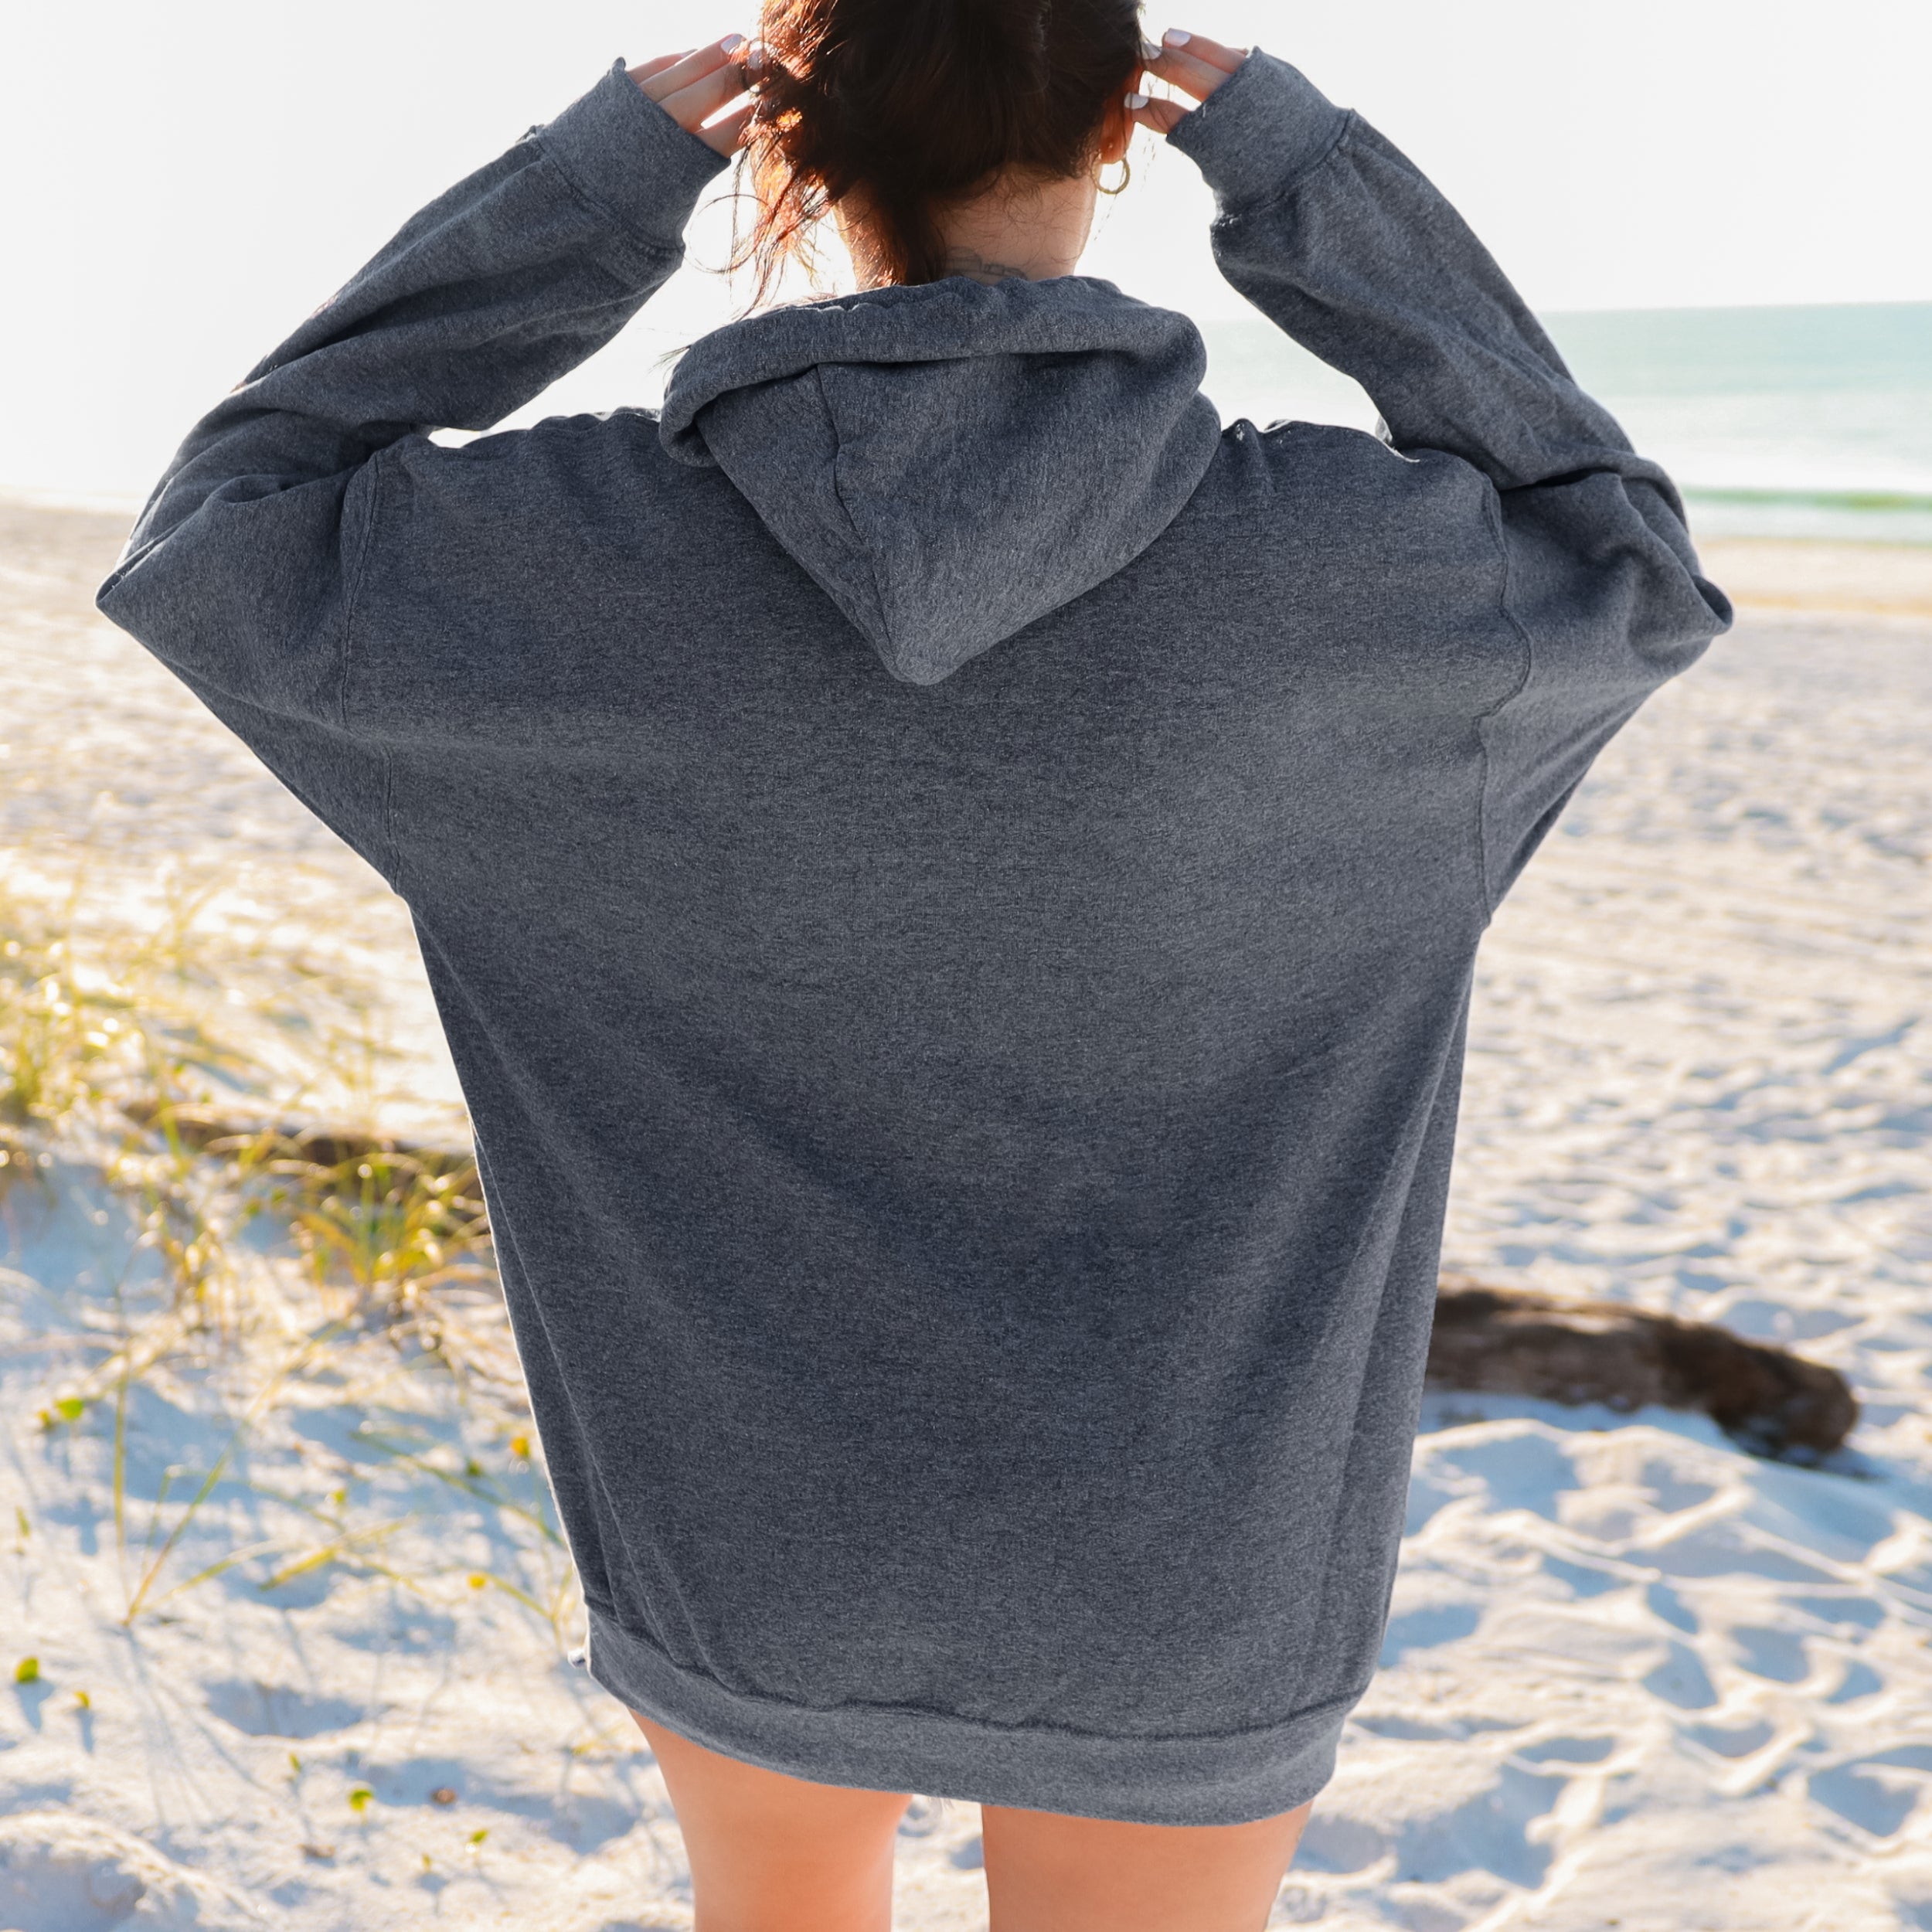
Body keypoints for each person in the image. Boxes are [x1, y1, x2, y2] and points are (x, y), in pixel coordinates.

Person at [95, 5, 1731, 1927]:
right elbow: (1623, 559)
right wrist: (1307, 172)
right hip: (1189, 1554)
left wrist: (588, 189)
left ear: (795, 150)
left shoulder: (556, 563)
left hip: (748, 1529)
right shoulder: (1357, 576)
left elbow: (221, 534)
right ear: (1115, 127)